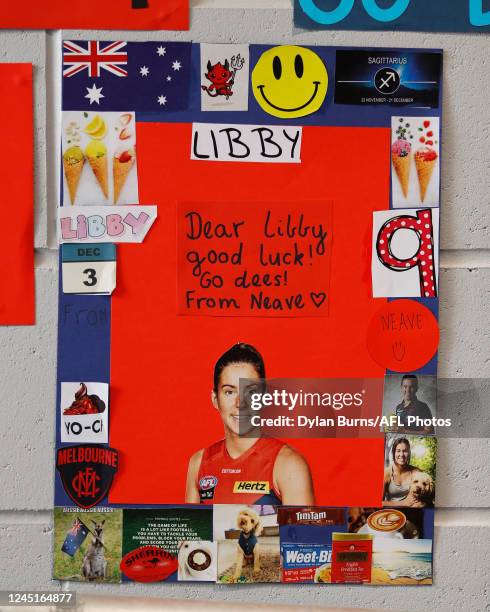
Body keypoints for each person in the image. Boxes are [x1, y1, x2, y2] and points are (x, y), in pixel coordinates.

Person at [185, 342, 315, 505]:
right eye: (229, 392)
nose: (241, 403)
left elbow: (303, 531)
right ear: (215, 399)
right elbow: (194, 530)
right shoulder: (198, 464)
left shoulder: (289, 465)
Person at [383, 437, 422, 507]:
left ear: (409, 453)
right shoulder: (387, 473)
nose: (401, 454)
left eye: (405, 451)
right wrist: (402, 503)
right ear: (394, 453)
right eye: (398, 451)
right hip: (391, 511)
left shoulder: (416, 472)